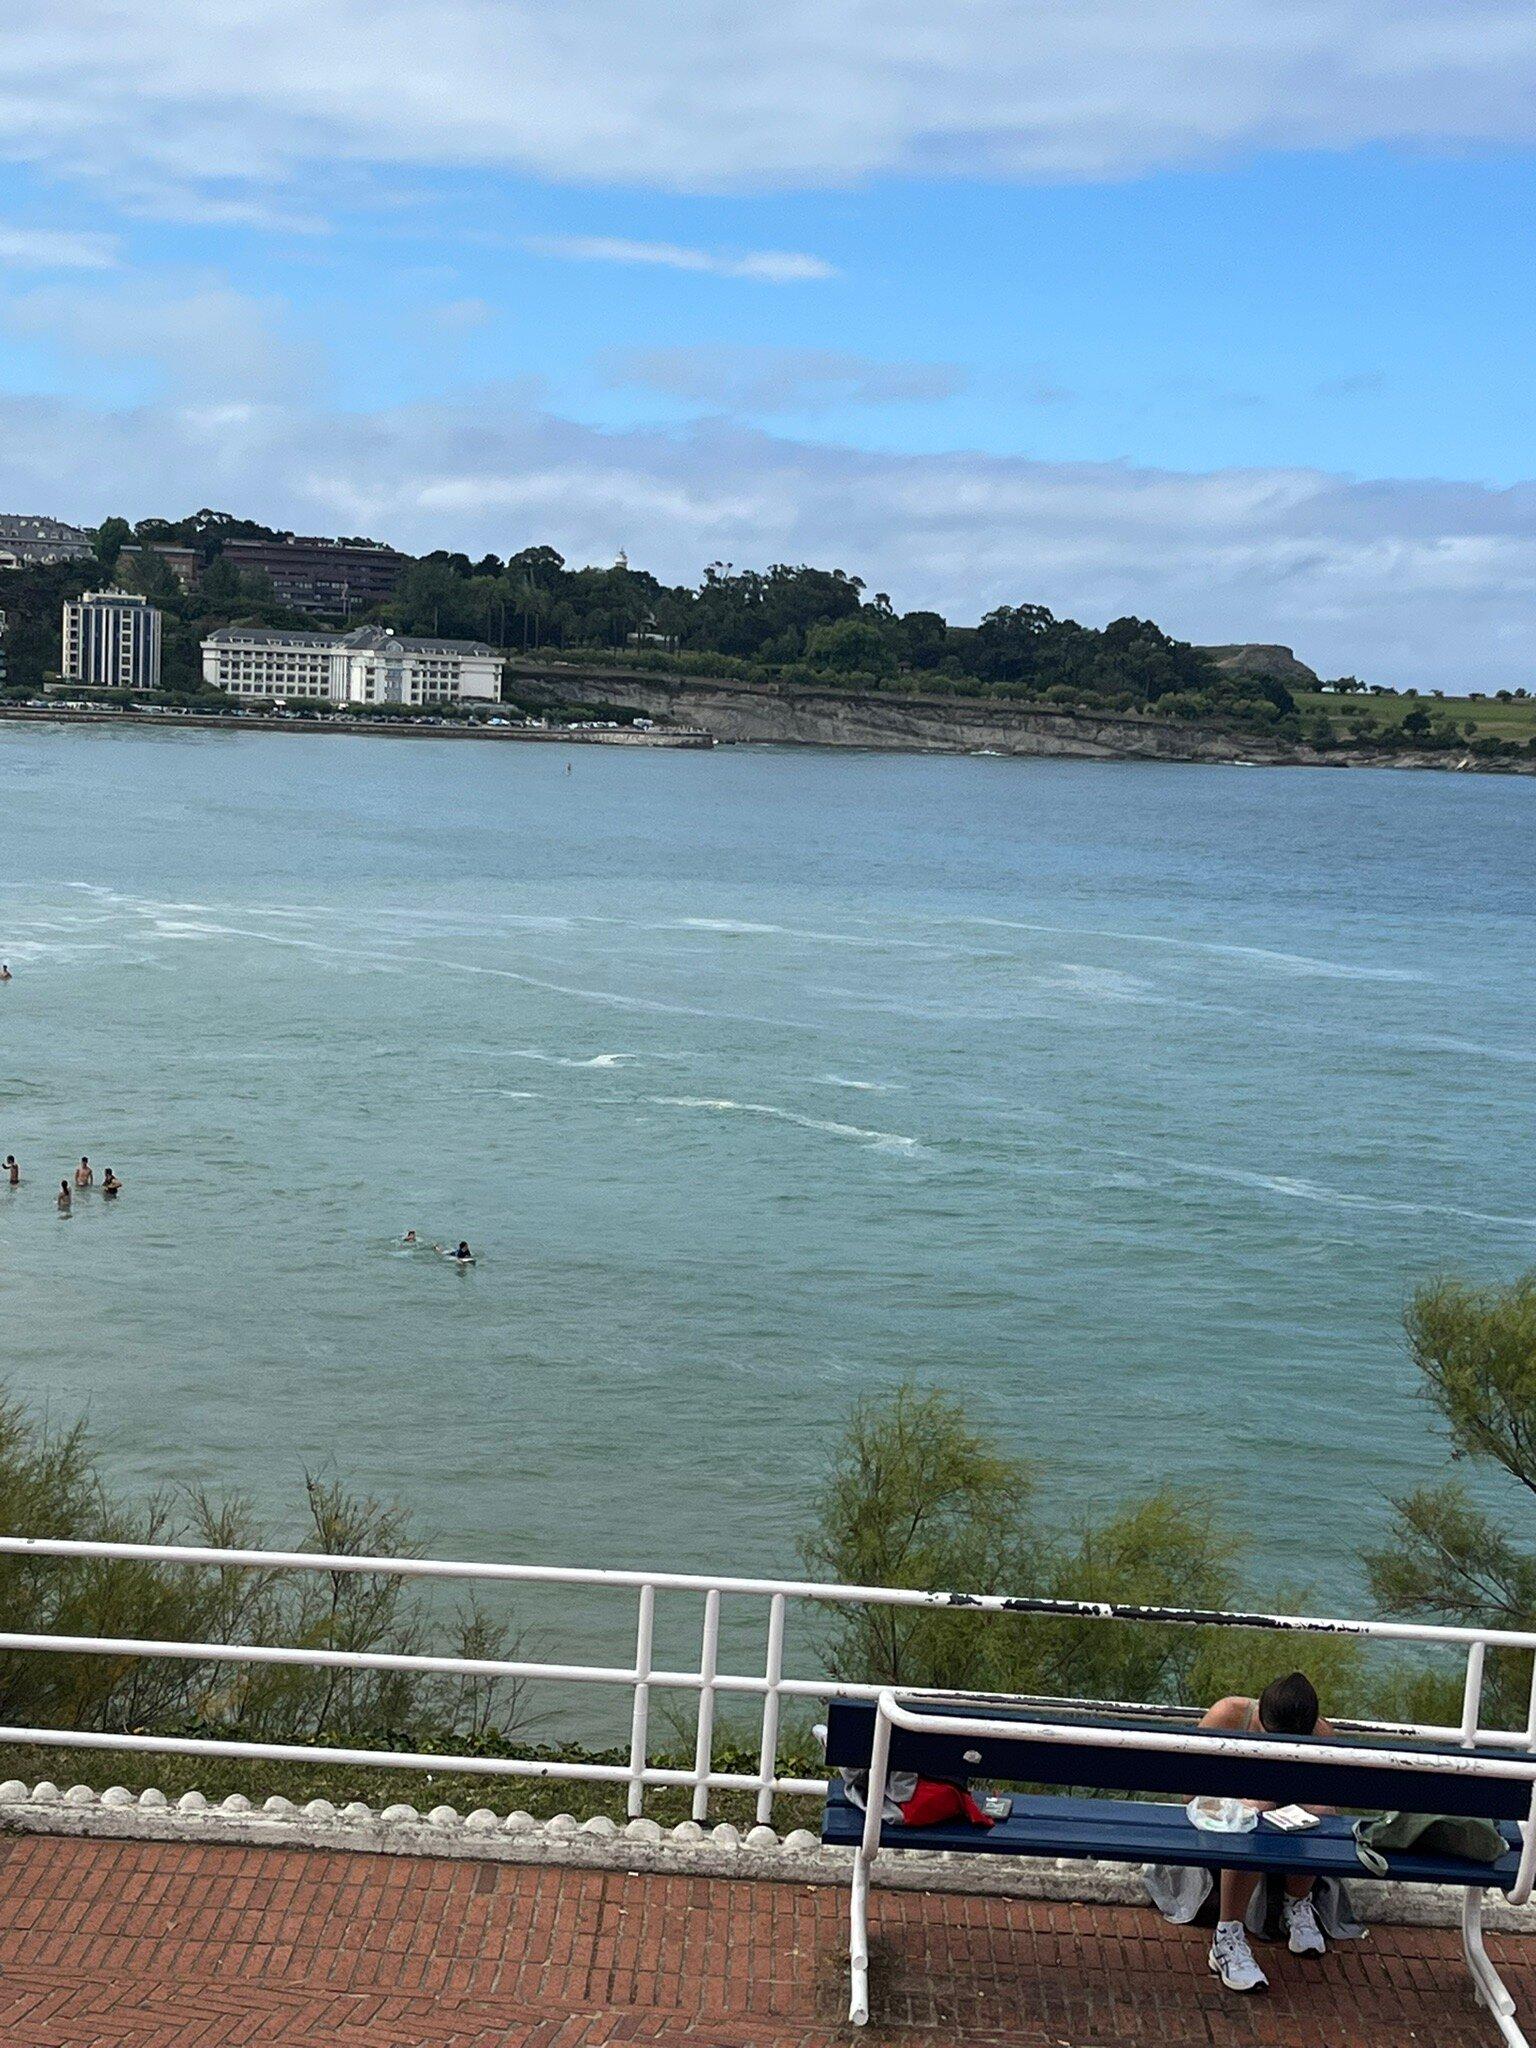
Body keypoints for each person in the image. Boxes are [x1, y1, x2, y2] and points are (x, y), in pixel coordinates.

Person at [1144, 1670, 1363, 1994]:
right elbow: (1189, 1795)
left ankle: (1297, 1902)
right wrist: (1242, 1800)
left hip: (1286, 1830)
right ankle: (1226, 1936)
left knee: (1320, 1812)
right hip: (1226, 1827)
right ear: (1258, 1713)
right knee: (1251, 1818)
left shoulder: (1321, 1734)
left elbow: (1327, 1798)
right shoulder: (1227, 1715)